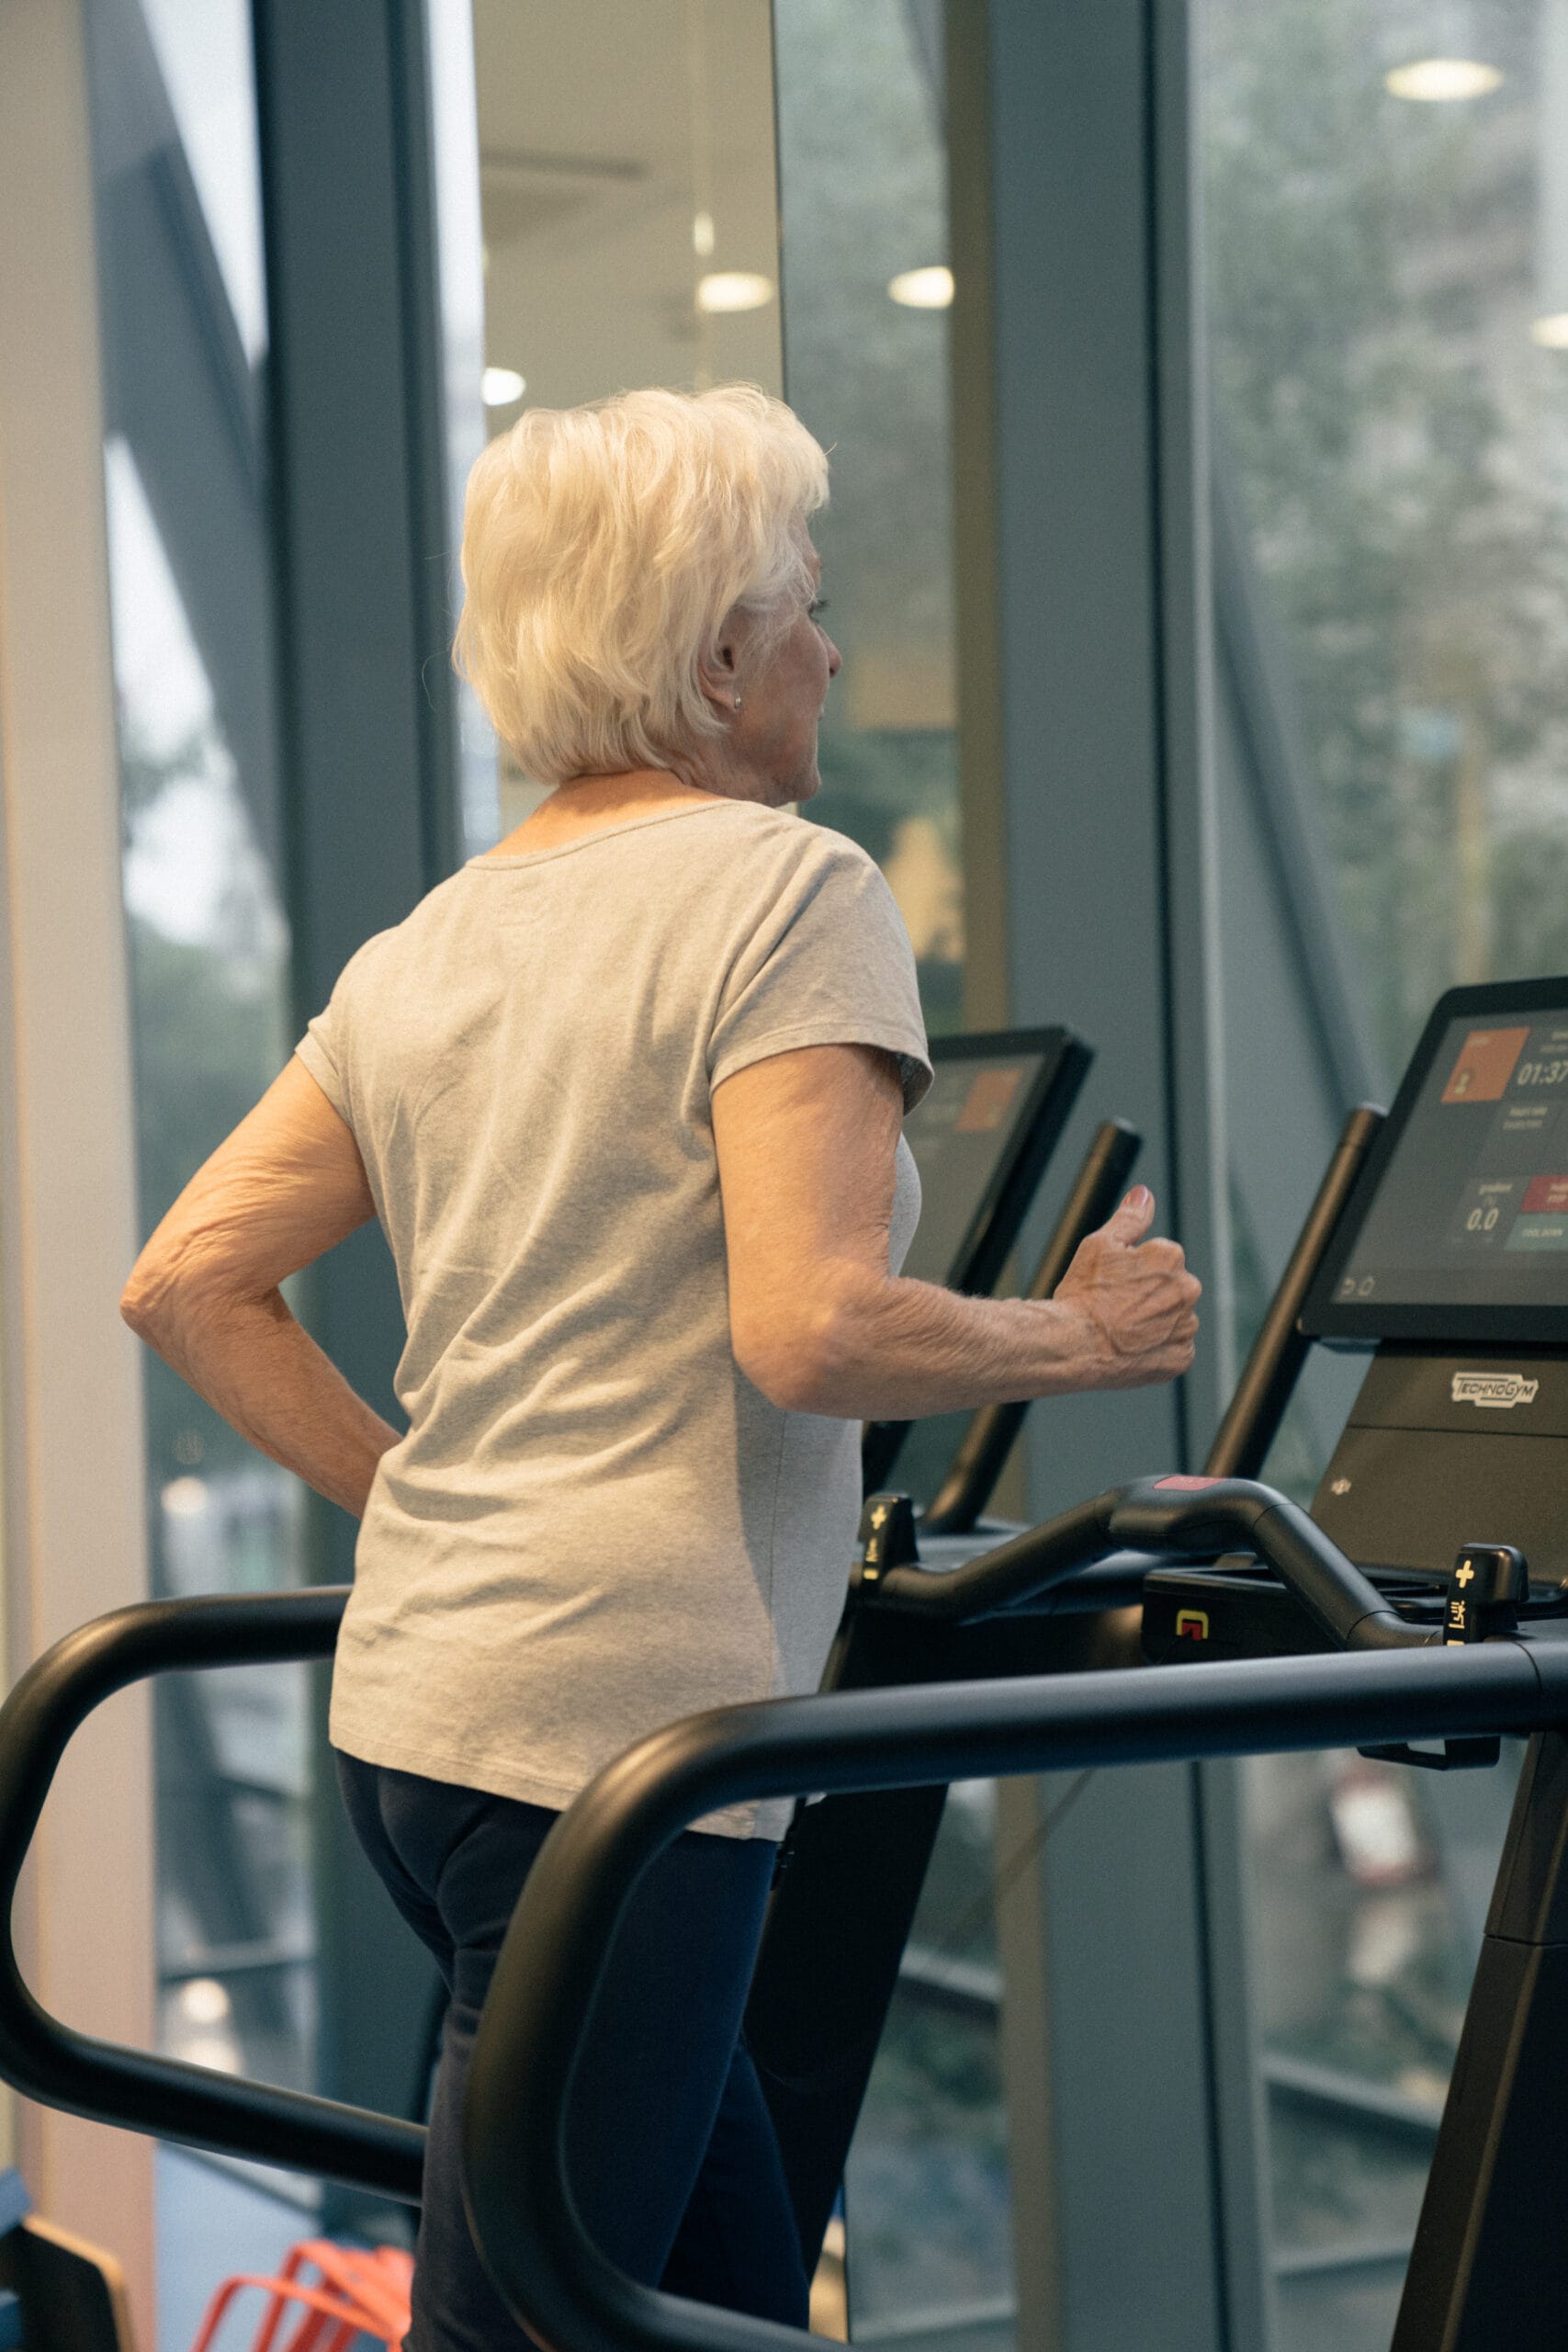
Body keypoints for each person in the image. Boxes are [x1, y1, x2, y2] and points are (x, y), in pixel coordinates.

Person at [120, 383, 1201, 2351]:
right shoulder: (789, 891)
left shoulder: (430, 942)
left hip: (429, 1724)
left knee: (710, 2287)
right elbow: (806, 1326)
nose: (827, 642)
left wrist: (436, 1506)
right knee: (526, 2319)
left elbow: (189, 1282)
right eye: (801, 599)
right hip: (612, 1753)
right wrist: (1085, 1335)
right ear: (716, 652)